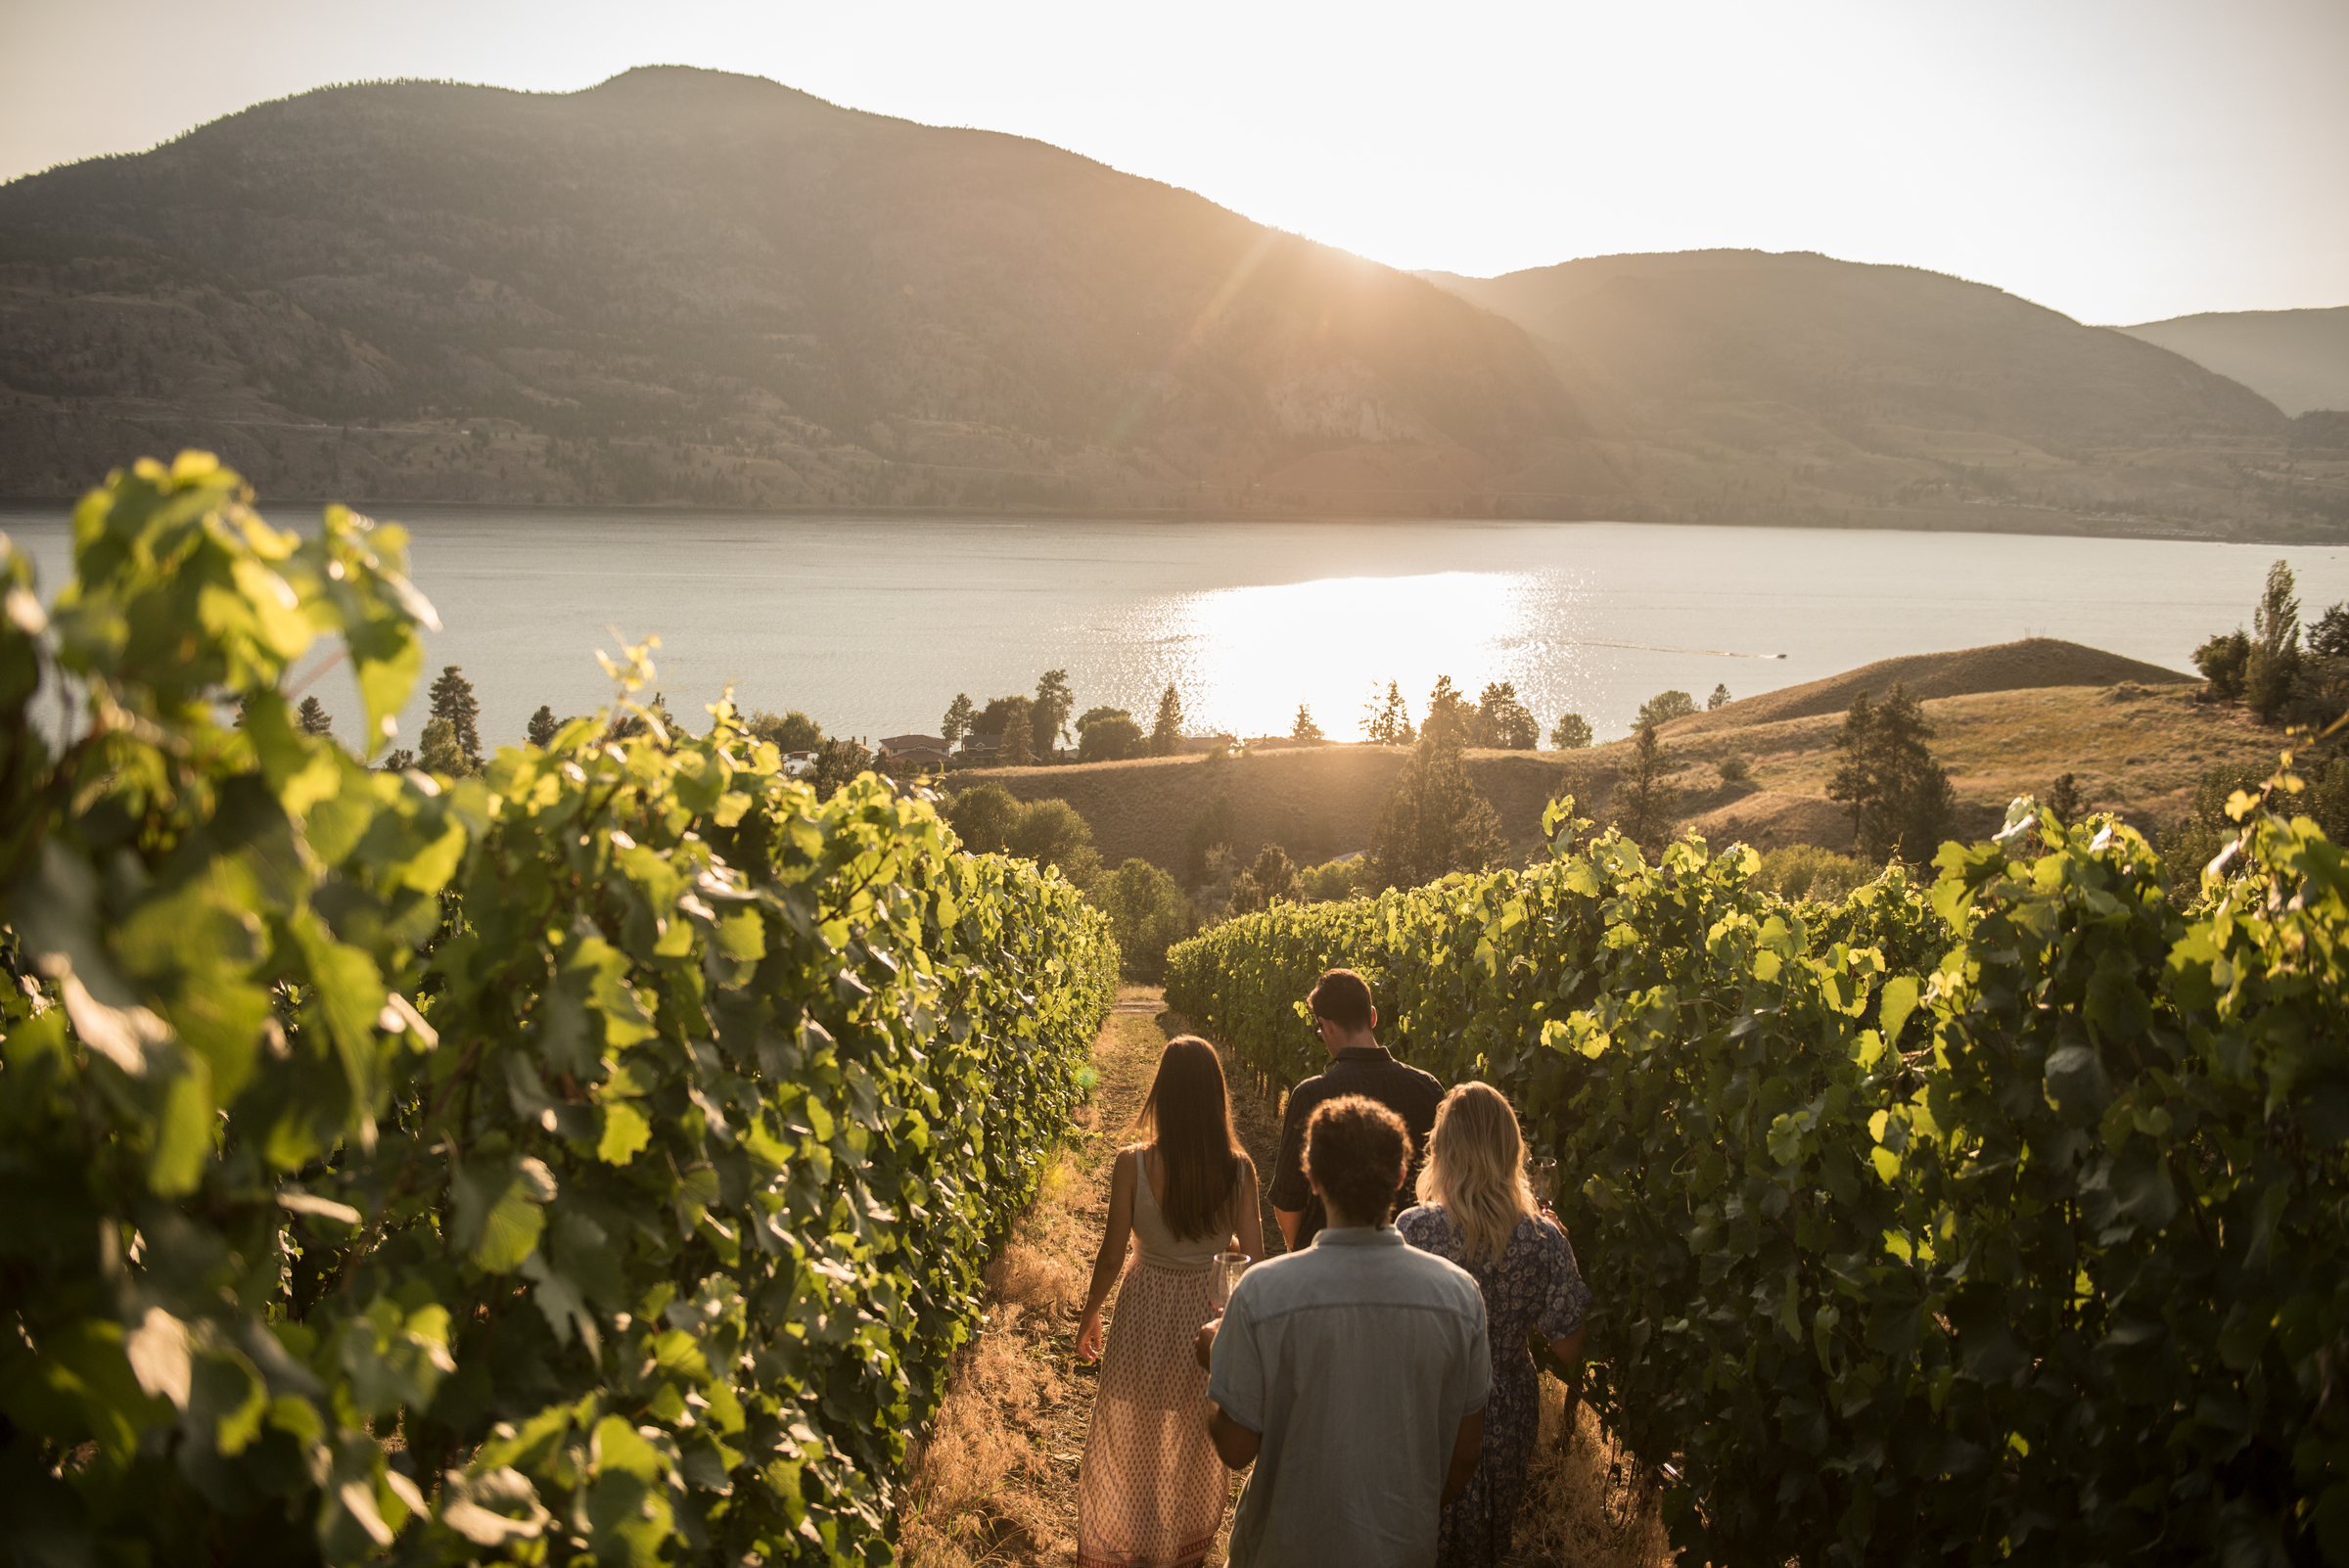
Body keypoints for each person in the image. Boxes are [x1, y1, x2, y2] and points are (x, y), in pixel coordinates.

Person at [1198, 1095, 1490, 1568]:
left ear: (1311, 1177)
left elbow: (1235, 1449)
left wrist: (1218, 1365)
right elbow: (1466, 1453)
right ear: (1401, 1177)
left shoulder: (1263, 1295)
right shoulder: (1459, 1298)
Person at [1074, 1036, 1264, 1568]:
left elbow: (1113, 1255)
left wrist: (1090, 1314)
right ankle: (1180, 1545)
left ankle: (1136, 1537)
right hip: (1207, 1315)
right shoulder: (1239, 1169)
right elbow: (1252, 1258)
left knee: (1137, 1426)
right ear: (1215, 1097)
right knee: (1191, 1429)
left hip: (1145, 1308)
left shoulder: (1130, 1163)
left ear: (1162, 1093)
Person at [1397, 1084, 1591, 1567]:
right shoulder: (1543, 1239)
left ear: (1442, 1150)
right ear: (1511, 1152)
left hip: (1428, 1403)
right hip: (1505, 1410)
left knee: (1417, 1532)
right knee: (1486, 1542)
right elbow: (1570, 1347)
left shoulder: (1413, 1229)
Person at [1268, 968, 1444, 1251]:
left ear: (1327, 1026)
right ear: (1372, 1016)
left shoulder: (1311, 1096)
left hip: (1326, 1266)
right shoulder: (1428, 1089)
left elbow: (1288, 1200)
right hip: (1410, 1263)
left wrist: (1302, 1252)